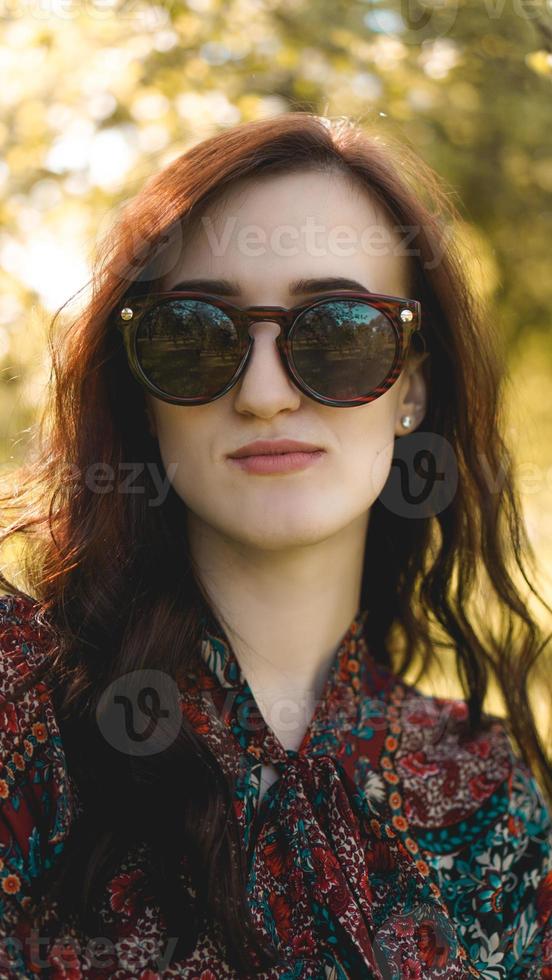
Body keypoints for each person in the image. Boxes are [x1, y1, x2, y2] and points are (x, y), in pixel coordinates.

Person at [0, 112, 551, 979]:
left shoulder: (493, 798)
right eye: (193, 333)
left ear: (410, 386)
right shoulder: (21, 711)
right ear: (140, 389)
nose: (263, 393)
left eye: (337, 332)